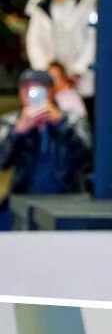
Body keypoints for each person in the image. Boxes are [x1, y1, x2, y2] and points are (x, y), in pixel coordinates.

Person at [0, 68, 92, 225]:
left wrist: (61, 125)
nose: (31, 94)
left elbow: (86, 158)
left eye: (38, 89)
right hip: (23, 199)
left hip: (67, 199)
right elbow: (2, 162)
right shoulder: (10, 122)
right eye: (26, 89)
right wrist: (18, 132)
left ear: (50, 92)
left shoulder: (73, 120)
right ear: (20, 92)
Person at [24, 0, 98, 118]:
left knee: (85, 119)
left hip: (83, 78)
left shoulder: (89, 2)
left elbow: (93, 39)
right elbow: (34, 43)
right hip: (54, 81)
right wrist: (47, 73)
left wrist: (77, 70)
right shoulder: (39, 6)